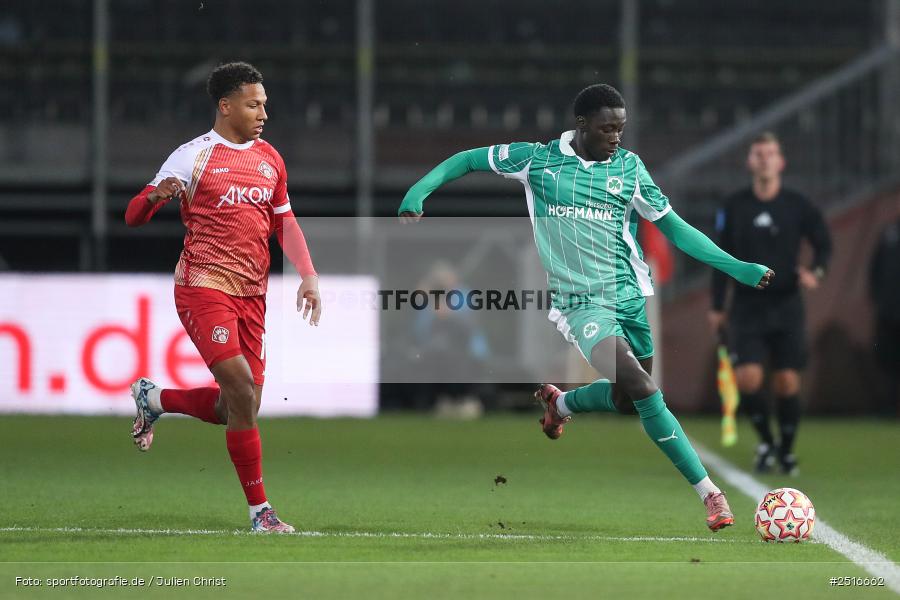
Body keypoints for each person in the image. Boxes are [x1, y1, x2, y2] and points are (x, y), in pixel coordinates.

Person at [399, 83, 773, 532]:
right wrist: (419, 191)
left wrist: (736, 267)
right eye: (607, 128)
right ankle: (710, 494)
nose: (616, 136)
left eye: (621, 128)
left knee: (628, 400)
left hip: (631, 297)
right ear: (582, 125)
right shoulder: (538, 161)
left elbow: (674, 229)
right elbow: (467, 159)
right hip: (581, 303)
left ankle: (564, 404)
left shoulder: (629, 168)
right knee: (644, 387)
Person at [124, 62, 322, 533]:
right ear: (226, 105)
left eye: (265, 105)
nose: (263, 113)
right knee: (238, 387)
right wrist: (155, 198)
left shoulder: (271, 159)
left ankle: (155, 399)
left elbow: (284, 222)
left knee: (237, 406)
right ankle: (262, 513)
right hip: (202, 286)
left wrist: (308, 275)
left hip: (253, 296)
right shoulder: (191, 157)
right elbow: (132, 215)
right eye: (254, 104)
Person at [708, 132, 831, 476]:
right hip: (748, 305)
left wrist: (816, 271)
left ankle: (786, 451)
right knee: (747, 378)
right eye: (758, 154)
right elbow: (720, 258)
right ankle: (766, 442)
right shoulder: (734, 206)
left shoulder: (798, 204)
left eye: (771, 153)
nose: (764, 159)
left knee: (787, 382)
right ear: (750, 161)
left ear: (781, 162)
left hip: (787, 304)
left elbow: (824, 243)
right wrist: (717, 306)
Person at [868, 207, 900, 417]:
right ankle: (889, 406)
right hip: (889, 310)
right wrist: (878, 298)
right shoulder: (890, 232)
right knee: (888, 360)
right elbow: (875, 268)